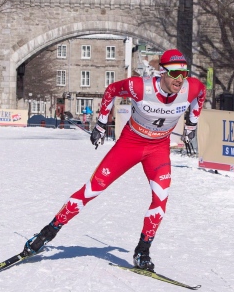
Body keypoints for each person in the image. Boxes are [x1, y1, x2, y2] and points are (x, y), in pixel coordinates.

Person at [23, 49, 206, 272]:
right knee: (92, 189)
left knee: (161, 199)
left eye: (184, 74)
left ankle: (142, 251)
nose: (180, 79)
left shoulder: (191, 87)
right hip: (130, 144)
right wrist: (100, 124)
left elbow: (201, 94)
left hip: (158, 148)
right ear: (162, 73)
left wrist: (191, 125)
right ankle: (46, 233)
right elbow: (111, 90)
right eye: (175, 74)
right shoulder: (140, 86)